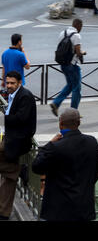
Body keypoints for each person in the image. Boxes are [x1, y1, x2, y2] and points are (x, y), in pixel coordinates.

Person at [32, 108, 98, 221]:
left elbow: (36, 167)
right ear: (79, 123)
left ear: (60, 124)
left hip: (59, 211)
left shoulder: (56, 147)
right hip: (84, 209)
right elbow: (96, 173)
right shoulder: (92, 142)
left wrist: (49, 144)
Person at [0, 70, 36, 220]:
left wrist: (3, 118)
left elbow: (21, 118)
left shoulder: (25, 96)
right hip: (10, 137)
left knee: (9, 171)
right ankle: (3, 212)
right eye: (7, 83)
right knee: (9, 178)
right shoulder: (12, 95)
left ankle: (19, 169)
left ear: (19, 83)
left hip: (19, 141)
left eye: (12, 83)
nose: (9, 86)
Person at [50, 18, 86, 116]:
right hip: (73, 65)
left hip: (63, 64)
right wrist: (83, 53)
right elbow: (78, 52)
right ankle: (74, 113)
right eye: (81, 27)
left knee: (70, 85)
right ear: (79, 26)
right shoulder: (76, 36)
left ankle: (56, 103)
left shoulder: (62, 33)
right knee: (76, 89)